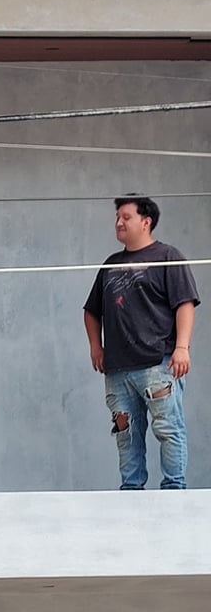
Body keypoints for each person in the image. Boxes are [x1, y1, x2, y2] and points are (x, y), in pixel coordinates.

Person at [83, 195, 200, 490]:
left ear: (146, 222)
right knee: (126, 436)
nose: (119, 223)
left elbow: (184, 304)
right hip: (118, 370)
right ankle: (131, 493)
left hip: (158, 364)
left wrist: (182, 347)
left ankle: (174, 493)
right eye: (117, 217)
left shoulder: (168, 256)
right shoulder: (111, 264)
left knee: (168, 429)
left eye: (126, 217)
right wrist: (96, 347)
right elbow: (91, 311)